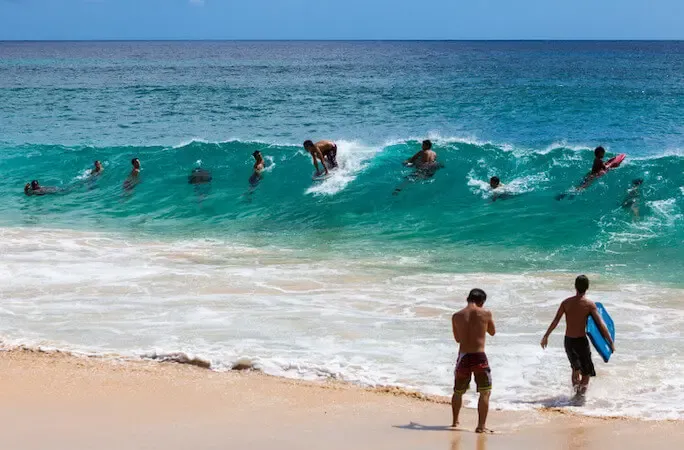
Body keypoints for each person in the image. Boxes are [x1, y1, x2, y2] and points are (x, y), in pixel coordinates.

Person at [540, 275, 614, 396]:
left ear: (575, 286)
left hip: (569, 341)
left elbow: (556, 320)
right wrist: (610, 342)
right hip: (581, 342)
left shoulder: (566, 303)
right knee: (586, 372)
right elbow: (601, 324)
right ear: (587, 287)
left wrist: (546, 336)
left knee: (575, 369)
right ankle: (580, 397)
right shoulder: (589, 304)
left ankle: (576, 394)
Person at [451, 288, 496, 433]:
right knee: (485, 392)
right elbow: (492, 332)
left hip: (463, 356)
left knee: (458, 391)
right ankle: (481, 426)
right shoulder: (485, 313)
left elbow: (458, 339)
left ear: (468, 299)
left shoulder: (456, 316)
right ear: (481, 301)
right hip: (479, 356)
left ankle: (455, 421)